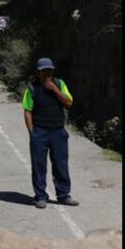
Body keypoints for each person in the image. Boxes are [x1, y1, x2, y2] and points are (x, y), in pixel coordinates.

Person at [22, 57, 79, 209]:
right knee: (39, 165)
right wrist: (32, 131)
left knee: (61, 164)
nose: (47, 73)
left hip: (58, 132)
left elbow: (68, 103)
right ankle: (40, 196)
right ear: (38, 72)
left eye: (49, 70)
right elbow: (27, 110)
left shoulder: (60, 84)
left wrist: (54, 89)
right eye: (43, 71)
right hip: (39, 132)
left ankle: (63, 195)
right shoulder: (31, 88)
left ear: (53, 71)